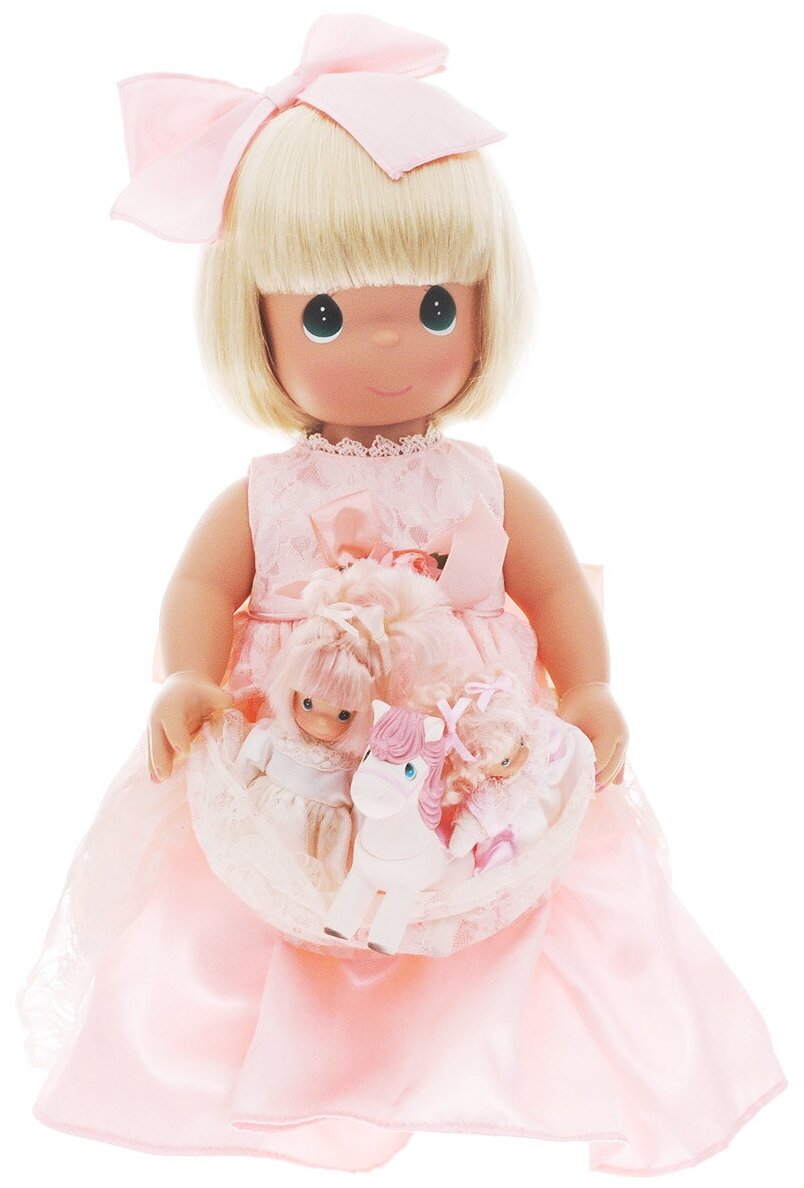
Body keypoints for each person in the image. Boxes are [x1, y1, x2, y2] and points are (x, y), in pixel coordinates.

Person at [19, 14, 785, 1175]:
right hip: (296, 748)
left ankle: (479, 1047)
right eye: (326, 316)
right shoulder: (268, 495)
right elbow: (200, 583)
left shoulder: (486, 486)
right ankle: (306, 1062)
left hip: (473, 755)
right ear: (258, 322)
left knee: (526, 892)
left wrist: (588, 686)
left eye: (433, 307)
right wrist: (183, 675)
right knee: (260, 901)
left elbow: (551, 585)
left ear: (483, 304)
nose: (387, 348)